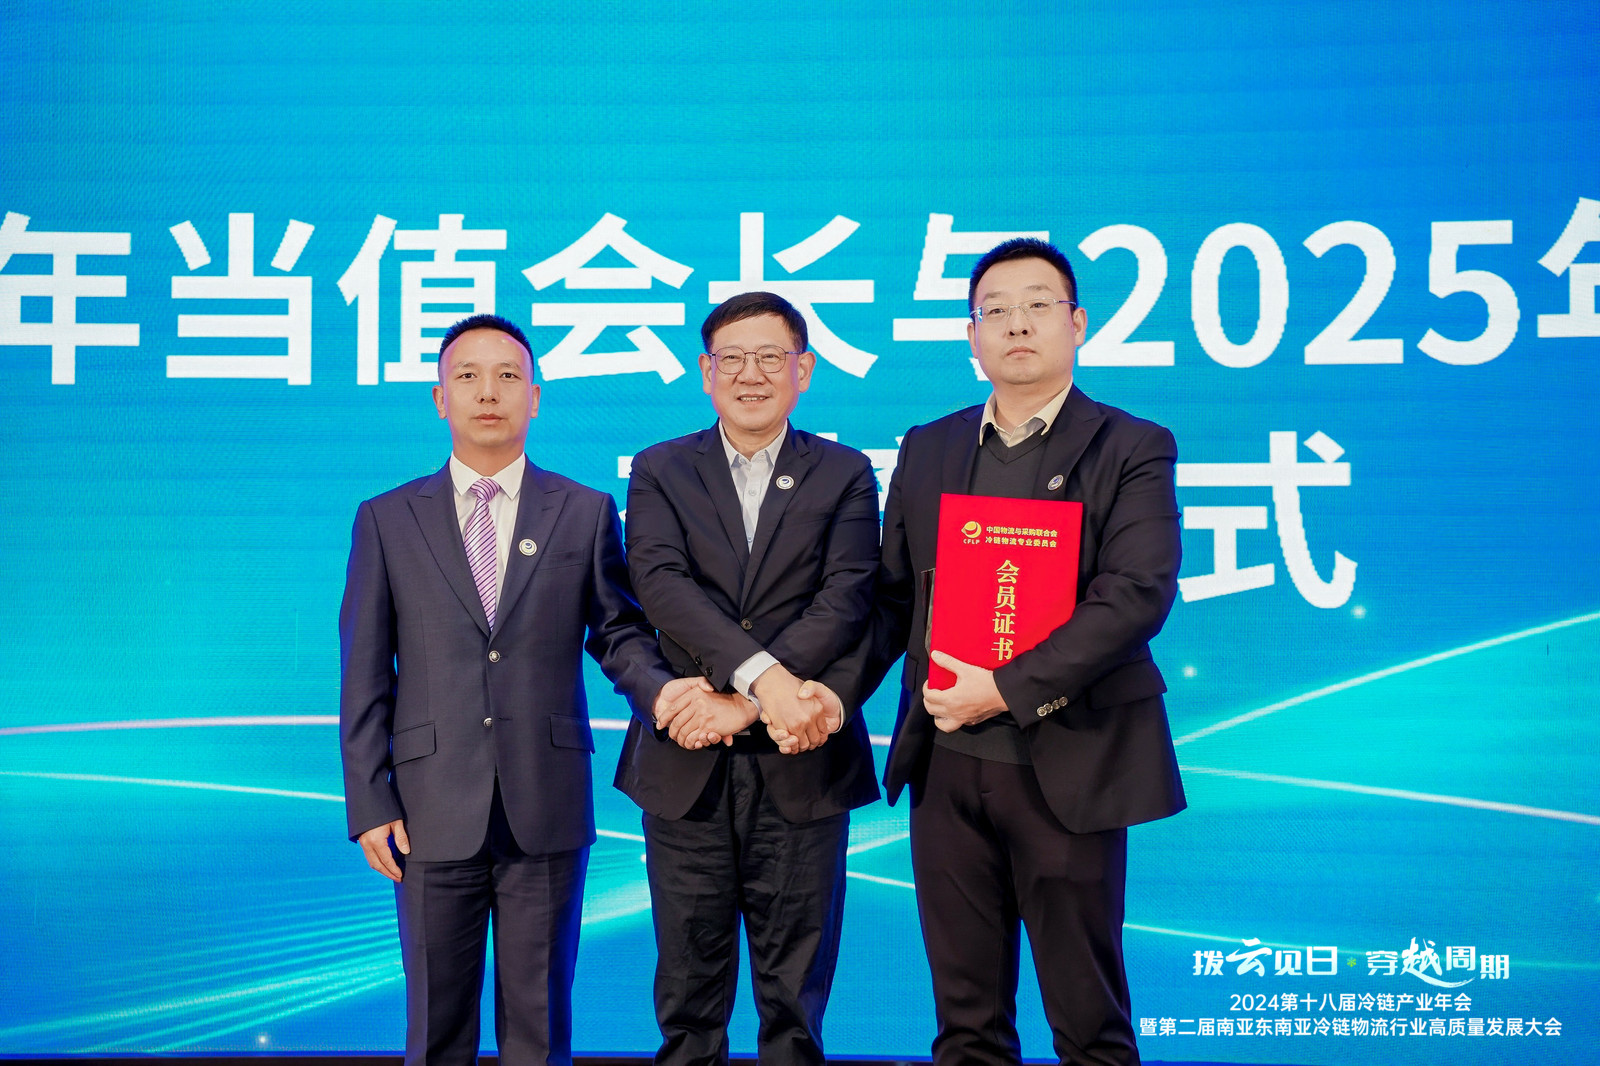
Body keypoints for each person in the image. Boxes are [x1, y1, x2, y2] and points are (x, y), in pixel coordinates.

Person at [339, 313, 707, 1066]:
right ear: (439, 398)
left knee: (540, 1028)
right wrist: (370, 801)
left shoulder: (582, 510)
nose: (488, 392)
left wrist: (665, 696)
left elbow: (617, 632)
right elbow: (365, 671)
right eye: (468, 376)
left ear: (534, 397)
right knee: (436, 1028)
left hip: (546, 800)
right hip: (428, 808)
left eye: (508, 376)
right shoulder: (387, 519)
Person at [874, 239, 1187, 1065]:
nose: (1017, 325)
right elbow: (894, 600)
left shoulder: (1132, 445)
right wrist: (818, 692)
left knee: (1088, 1024)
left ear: (1077, 323)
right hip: (947, 763)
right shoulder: (929, 446)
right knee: (966, 1022)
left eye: (1038, 305)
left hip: (1068, 762)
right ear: (971, 335)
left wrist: (1005, 688)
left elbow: (1136, 594)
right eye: (996, 310)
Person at [615, 291, 882, 1066]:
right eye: (732, 358)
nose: (751, 374)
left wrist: (744, 705)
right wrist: (764, 684)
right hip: (686, 763)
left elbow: (846, 598)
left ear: (805, 370)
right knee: (688, 1000)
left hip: (803, 762)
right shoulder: (662, 468)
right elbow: (662, 587)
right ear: (706, 372)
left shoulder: (844, 472)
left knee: (795, 1001)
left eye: (770, 357)